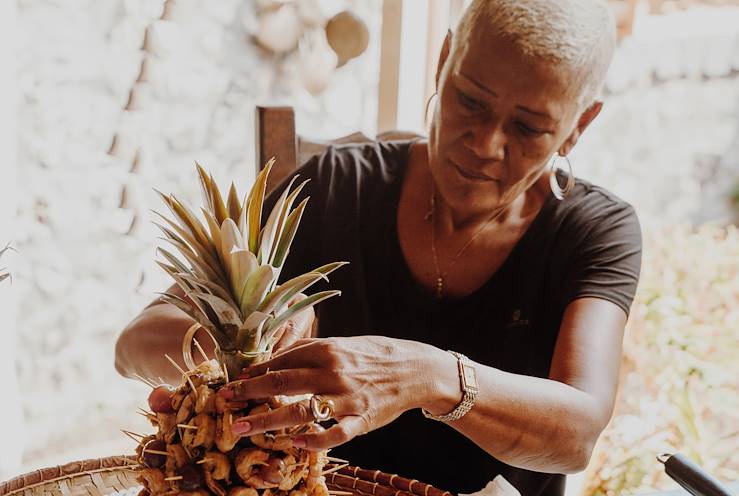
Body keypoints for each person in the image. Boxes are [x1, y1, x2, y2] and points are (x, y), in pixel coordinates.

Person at [115, 1, 642, 494]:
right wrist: (240, 355)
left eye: (528, 127)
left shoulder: (594, 230)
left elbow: (577, 433)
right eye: (470, 100)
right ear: (443, 62)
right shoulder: (335, 186)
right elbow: (134, 343)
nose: (485, 144)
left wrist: (430, 375)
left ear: (577, 127)